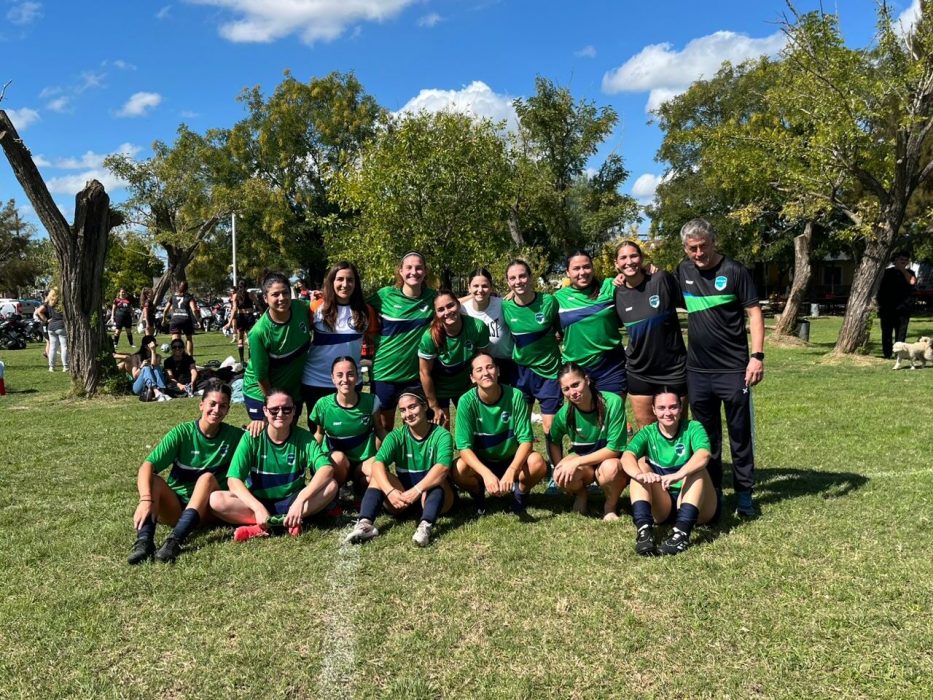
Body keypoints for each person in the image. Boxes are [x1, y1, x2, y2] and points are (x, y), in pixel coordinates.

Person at [677, 218, 764, 517]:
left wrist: (757, 356)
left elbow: (754, 313)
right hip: (698, 373)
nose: (699, 254)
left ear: (713, 243)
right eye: (692, 249)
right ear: (685, 249)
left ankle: (744, 496)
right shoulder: (683, 271)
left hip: (734, 371)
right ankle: (713, 495)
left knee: (740, 435)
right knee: (706, 438)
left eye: (703, 247)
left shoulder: (735, 271)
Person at [128, 379, 244, 564]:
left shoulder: (236, 436)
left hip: (206, 510)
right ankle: (144, 542)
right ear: (201, 405)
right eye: (212, 404)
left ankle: (174, 541)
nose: (216, 410)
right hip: (175, 507)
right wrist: (145, 500)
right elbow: (146, 467)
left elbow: (262, 443)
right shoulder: (182, 432)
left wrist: (258, 426)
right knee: (154, 480)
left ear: (228, 410)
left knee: (206, 478)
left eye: (223, 406)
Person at [209, 389, 339, 540]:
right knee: (215, 499)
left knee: (331, 486)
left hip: (292, 500)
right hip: (258, 501)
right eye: (274, 410)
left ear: (294, 411)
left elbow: (327, 469)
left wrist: (300, 500)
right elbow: (233, 480)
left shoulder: (304, 438)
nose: (280, 414)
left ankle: (267, 526)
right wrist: (257, 507)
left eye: (286, 409)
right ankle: (282, 522)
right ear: (265, 410)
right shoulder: (252, 437)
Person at [345, 389, 455, 547]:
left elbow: (443, 468)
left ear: (424, 407)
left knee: (436, 481)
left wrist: (416, 491)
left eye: (412, 407)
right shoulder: (395, 436)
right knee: (377, 474)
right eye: (403, 410)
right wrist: (390, 491)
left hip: (435, 500)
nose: (408, 414)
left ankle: (425, 526)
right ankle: (365, 524)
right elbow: (377, 464)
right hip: (402, 501)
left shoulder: (441, 435)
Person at [621, 390, 717, 556]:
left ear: (681, 408)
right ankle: (644, 531)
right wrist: (639, 475)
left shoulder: (693, 427)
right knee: (640, 467)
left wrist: (679, 474)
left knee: (698, 469)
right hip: (663, 504)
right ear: (654, 410)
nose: (667, 412)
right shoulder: (648, 432)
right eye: (662, 408)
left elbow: (704, 454)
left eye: (673, 407)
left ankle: (681, 534)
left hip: (697, 504)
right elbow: (626, 457)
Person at [452, 351, 546, 516]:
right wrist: (486, 473)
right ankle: (479, 496)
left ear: (498, 371)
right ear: (472, 377)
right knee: (459, 469)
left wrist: (512, 470)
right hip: (483, 462)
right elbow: (464, 448)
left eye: (489, 367)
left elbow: (526, 441)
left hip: (510, 460)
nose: (485, 373)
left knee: (537, 462)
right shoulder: (466, 402)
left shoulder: (515, 396)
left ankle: (520, 495)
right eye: (479, 370)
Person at [613, 240, 688, 429]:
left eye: (633, 256)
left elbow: (691, 304)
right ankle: (648, 460)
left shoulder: (661, 279)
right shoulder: (617, 293)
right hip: (640, 372)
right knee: (645, 429)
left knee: (678, 426)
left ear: (642, 258)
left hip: (674, 369)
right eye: (623, 257)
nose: (629, 261)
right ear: (616, 264)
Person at [549, 362, 629, 520]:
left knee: (610, 469)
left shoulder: (612, 402)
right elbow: (553, 440)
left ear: (587, 380)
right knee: (561, 473)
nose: (573, 392)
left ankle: (610, 506)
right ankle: (581, 495)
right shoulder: (564, 414)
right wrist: (559, 465)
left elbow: (614, 449)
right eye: (566, 389)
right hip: (583, 462)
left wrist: (576, 463)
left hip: (609, 460)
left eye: (575, 384)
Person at [368, 252, 437, 431]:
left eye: (419, 267)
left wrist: (497, 299)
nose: (414, 272)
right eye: (409, 267)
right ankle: (379, 460)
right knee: (383, 427)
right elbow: (356, 305)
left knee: (419, 425)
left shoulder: (433, 297)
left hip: (414, 376)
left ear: (425, 271)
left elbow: (454, 304)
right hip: (384, 374)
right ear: (400, 271)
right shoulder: (385, 295)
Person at [301, 261, 377, 416]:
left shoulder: (365, 311)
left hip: (350, 381)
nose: (345, 284)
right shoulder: (316, 306)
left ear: (356, 283)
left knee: (349, 430)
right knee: (318, 432)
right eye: (340, 279)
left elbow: (376, 343)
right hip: (315, 380)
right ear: (331, 282)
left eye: (350, 280)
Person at [500, 259, 563, 438]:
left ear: (530, 277)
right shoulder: (505, 306)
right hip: (520, 373)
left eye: (522, 276)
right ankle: (523, 465)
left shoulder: (549, 302)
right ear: (508, 282)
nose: (518, 281)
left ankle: (555, 465)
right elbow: (475, 301)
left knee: (551, 428)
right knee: (520, 427)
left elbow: (561, 332)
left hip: (549, 373)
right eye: (512, 278)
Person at [241, 272, 313, 428]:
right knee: (269, 438)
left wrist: (320, 297)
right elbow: (261, 377)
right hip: (261, 392)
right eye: (275, 294)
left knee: (289, 436)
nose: (282, 298)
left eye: (285, 292)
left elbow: (321, 307)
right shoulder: (259, 332)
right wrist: (272, 402)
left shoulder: (300, 308)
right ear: (265, 299)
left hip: (292, 390)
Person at [308, 356, 386, 493]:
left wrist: (397, 448)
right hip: (338, 462)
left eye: (350, 374)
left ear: (357, 376)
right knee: (338, 458)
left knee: (376, 467)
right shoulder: (323, 405)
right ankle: (336, 491)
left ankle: (359, 489)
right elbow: (319, 433)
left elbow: (379, 429)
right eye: (339, 375)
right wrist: (309, 458)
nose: (345, 380)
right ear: (332, 378)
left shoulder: (371, 401)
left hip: (362, 462)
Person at [555, 251, 627, 398]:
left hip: (611, 366)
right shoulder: (557, 299)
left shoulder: (609, 286)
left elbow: (635, 279)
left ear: (593, 268)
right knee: (585, 419)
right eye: (576, 268)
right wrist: (513, 294)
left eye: (586, 267)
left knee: (612, 414)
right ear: (567, 272)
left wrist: (646, 269)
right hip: (576, 370)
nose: (582, 272)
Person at [418, 289, 489, 428]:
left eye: (450, 305)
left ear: (458, 304)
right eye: (441, 309)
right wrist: (433, 406)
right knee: (442, 431)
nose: (447, 312)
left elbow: (482, 363)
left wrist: (472, 391)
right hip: (440, 390)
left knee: (475, 428)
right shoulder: (430, 337)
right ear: (436, 313)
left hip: (465, 387)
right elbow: (424, 373)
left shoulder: (478, 327)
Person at [460, 268, 518, 385]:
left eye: (485, 286)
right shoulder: (463, 309)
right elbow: (448, 303)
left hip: (506, 363)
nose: (480, 290)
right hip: (479, 365)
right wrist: (473, 295)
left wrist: (514, 292)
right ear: (469, 287)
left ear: (491, 287)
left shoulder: (502, 304)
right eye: (475, 286)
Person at [877, 251, 917, 359]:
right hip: (887, 308)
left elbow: (912, 282)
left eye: (905, 260)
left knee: (901, 333)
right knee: (886, 332)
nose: (903, 262)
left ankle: (899, 355)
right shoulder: (885, 272)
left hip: (903, 309)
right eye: (901, 259)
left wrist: (903, 270)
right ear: (895, 260)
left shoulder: (910, 273)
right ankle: (887, 354)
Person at [127, 335, 172, 400]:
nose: (154, 347)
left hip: (154, 385)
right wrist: (141, 366)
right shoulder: (136, 357)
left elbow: (153, 364)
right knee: (146, 368)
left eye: (155, 346)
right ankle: (156, 392)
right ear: (145, 346)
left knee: (157, 368)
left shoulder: (158, 356)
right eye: (152, 346)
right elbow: (135, 376)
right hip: (139, 387)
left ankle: (162, 391)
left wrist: (153, 351)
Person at [163, 281, 200, 357]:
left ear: (178, 287)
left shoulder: (173, 296)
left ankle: (176, 357)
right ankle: (189, 358)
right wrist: (198, 320)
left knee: (175, 341)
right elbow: (194, 310)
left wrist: (164, 319)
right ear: (187, 288)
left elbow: (166, 309)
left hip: (175, 319)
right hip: (186, 319)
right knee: (189, 339)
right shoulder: (189, 297)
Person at [37, 288, 67, 372]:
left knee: (52, 348)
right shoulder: (61, 302)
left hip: (51, 326)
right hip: (61, 325)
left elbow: (39, 311)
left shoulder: (48, 302)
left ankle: (51, 367)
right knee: (64, 347)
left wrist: (46, 320)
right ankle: (65, 366)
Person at [228, 280, 257, 364]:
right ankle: (250, 359)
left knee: (240, 339)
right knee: (250, 338)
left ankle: (241, 360)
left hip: (240, 317)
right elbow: (257, 304)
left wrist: (229, 322)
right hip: (249, 317)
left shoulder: (235, 296)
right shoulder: (250, 294)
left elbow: (234, 309)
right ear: (246, 286)